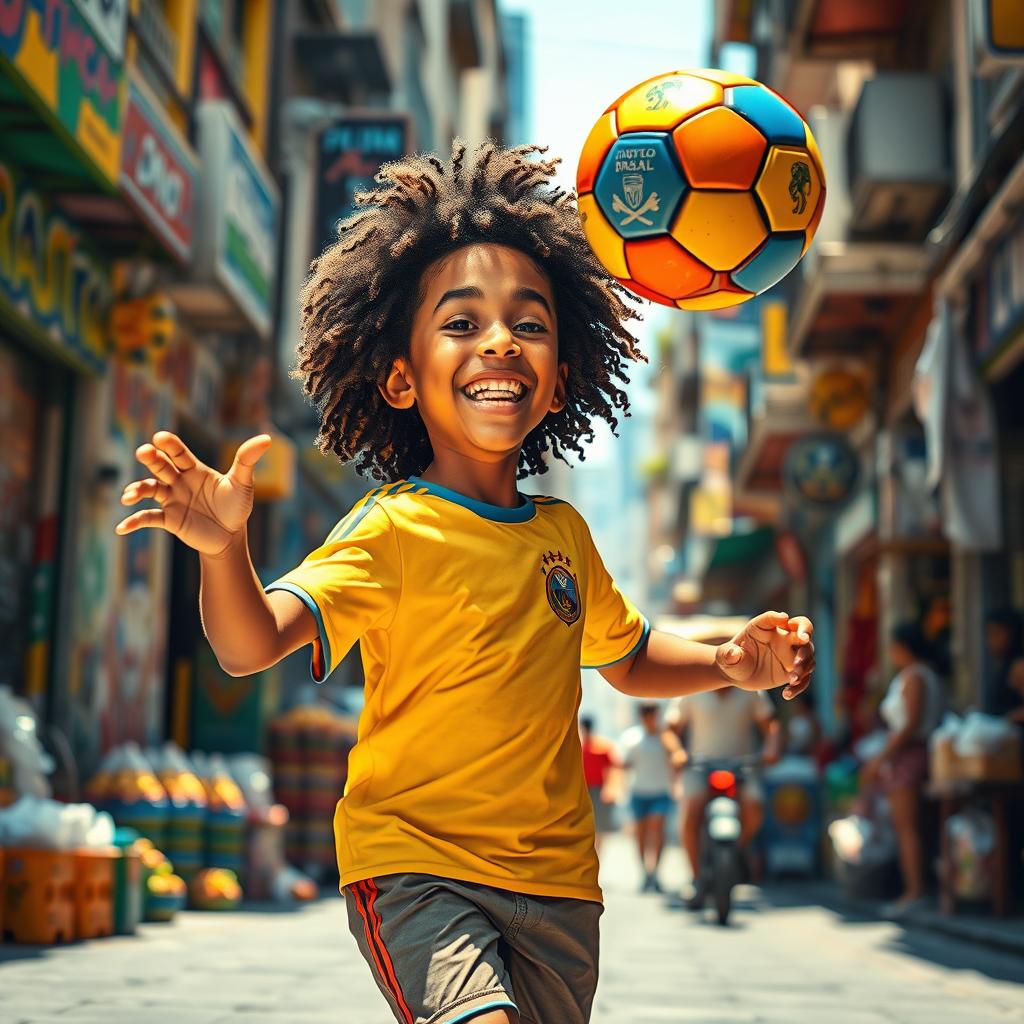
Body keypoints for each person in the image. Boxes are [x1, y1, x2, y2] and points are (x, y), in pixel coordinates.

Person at [114, 140, 816, 1024]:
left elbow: (629, 658)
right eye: (460, 323)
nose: (498, 342)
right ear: (402, 377)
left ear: (560, 380)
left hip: (560, 885)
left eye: (529, 324)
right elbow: (251, 644)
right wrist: (224, 550)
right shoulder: (390, 528)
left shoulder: (564, 534)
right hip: (415, 867)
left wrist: (728, 662)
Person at [860, 622, 944, 917]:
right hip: (913, 754)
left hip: (910, 757)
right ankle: (916, 888)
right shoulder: (921, 675)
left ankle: (914, 891)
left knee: (907, 827)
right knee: (911, 827)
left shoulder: (916, 677)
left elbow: (908, 726)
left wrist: (881, 758)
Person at [669, 687, 780, 901]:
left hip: (742, 767)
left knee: (754, 804)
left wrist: (772, 746)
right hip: (700, 767)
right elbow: (670, 729)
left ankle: (737, 849)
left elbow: (771, 724)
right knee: (691, 811)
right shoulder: (690, 688)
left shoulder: (751, 690)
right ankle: (696, 877)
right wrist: (676, 751)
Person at [619, 704, 680, 893]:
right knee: (641, 835)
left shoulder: (666, 738)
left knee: (658, 829)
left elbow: (676, 760)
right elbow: (624, 765)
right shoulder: (632, 738)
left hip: (661, 791)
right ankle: (645, 872)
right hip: (638, 791)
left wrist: (676, 784)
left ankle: (656, 871)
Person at [579, 715, 620, 853]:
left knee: (600, 826)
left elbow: (614, 769)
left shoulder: (602, 747)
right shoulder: (579, 747)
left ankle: (597, 856)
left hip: (599, 790)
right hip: (582, 791)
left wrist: (611, 790)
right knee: (585, 825)